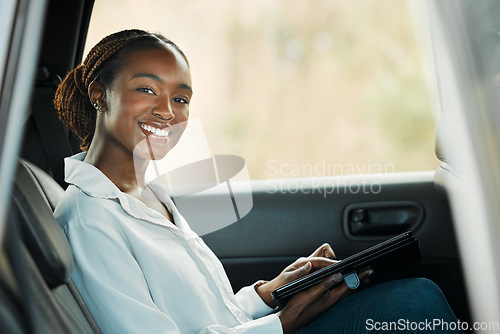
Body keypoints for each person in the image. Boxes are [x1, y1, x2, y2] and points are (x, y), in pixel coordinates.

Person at [54, 29, 461, 334]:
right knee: (415, 303)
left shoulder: (147, 194)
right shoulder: (89, 219)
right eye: (147, 89)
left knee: (413, 296)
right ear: (98, 94)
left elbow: (208, 314)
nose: (168, 112)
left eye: (180, 99)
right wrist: (282, 323)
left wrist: (270, 293)